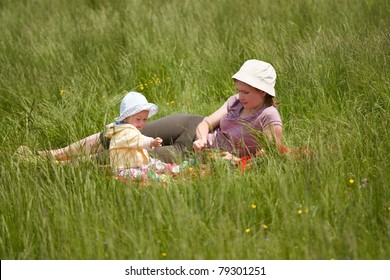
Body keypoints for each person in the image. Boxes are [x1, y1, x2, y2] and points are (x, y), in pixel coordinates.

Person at [34, 59, 283, 165]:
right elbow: (207, 121)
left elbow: (269, 156)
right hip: (190, 126)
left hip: (194, 153)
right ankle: (51, 155)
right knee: (121, 131)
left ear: (263, 92)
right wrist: (200, 136)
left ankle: (62, 169)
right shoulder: (235, 102)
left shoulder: (269, 118)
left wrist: (235, 159)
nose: (240, 96)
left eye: (246, 92)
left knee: (129, 152)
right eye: (238, 90)